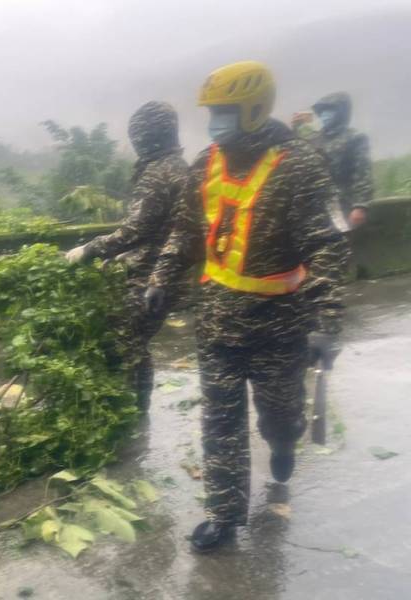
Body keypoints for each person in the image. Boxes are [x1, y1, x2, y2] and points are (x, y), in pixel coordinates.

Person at [144, 61, 350, 552]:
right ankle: (224, 513)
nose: (215, 120)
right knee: (220, 421)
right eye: (212, 111)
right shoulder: (206, 162)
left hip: (279, 325)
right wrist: (160, 277)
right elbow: (185, 229)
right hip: (216, 320)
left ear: (254, 110)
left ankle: (283, 441)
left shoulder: (298, 167)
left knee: (279, 415)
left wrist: (328, 322)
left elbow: (327, 246)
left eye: (224, 111)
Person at [65, 101, 188, 411]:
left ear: (145, 137)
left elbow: (139, 227)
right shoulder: (176, 166)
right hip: (166, 269)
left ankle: (131, 413)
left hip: (154, 275)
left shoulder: (159, 172)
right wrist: (122, 255)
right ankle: (134, 408)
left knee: (126, 342)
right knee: (134, 341)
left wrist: (91, 249)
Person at [311, 92, 374, 229]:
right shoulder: (314, 139)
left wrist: (360, 206)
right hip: (316, 206)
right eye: (321, 111)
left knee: (344, 246)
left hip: (344, 205)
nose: (324, 114)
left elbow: (362, 174)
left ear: (341, 112)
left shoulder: (355, 138)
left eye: (329, 110)